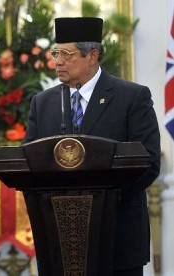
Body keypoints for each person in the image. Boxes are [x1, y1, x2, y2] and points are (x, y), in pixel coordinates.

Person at [22, 17, 160, 276]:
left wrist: (101, 200)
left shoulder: (132, 97)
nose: (58, 61)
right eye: (55, 53)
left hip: (117, 234)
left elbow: (149, 161)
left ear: (92, 55)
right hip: (59, 239)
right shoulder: (42, 103)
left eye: (66, 54)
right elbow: (27, 160)